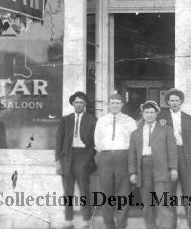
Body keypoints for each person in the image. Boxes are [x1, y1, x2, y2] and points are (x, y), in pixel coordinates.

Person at [128, 100, 178, 229]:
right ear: (143, 114)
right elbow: (132, 154)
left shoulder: (166, 129)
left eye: (152, 112)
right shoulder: (136, 133)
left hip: (161, 168)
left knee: (163, 202)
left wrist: (173, 168)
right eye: (146, 112)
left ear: (156, 114)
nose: (149, 115)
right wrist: (133, 172)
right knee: (147, 203)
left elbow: (172, 150)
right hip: (143, 168)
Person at [158, 88, 191, 229]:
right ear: (168, 102)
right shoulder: (161, 118)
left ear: (181, 101)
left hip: (186, 157)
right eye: (172, 100)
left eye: (177, 100)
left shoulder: (189, 119)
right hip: (170, 157)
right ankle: (171, 226)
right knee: (170, 195)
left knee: (189, 194)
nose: (174, 103)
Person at [94, 93, 138, 229]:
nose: (115, 105)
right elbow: (97, 141)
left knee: (123, 193)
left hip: (123, 157)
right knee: (106, 192)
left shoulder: (129, 121)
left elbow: (134, 142)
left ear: (122, 105)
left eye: (117, 103)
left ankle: (121, 225)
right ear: (109, 104)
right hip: (105, 157)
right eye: (112, 103)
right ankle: (109, 225)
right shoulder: (101, 120)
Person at [55, 91, 97, 229]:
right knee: (68, 190)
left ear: (85, 104)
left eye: (81, 102)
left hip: (83, 156)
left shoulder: (92, 120)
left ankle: (86, 220)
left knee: (84, 188)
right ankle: (68, 220)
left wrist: (88, 158)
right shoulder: (65, 120)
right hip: (67, 156)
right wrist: (57, 161)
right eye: (76, 102)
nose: (78, 105)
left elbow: (95, 143)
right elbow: (58, 142)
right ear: (73, 103)